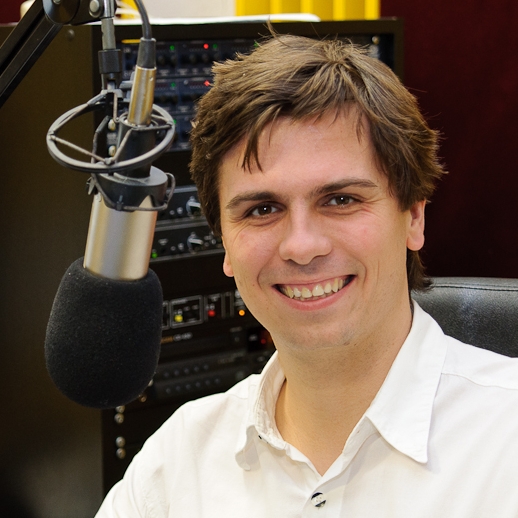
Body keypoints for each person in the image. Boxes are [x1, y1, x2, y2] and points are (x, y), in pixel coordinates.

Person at [95, 34, 518, 517]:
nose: (301, 246)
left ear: (414, 218)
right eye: (262, 209)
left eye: (340, 200)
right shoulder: (177, 463)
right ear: (224, 243)